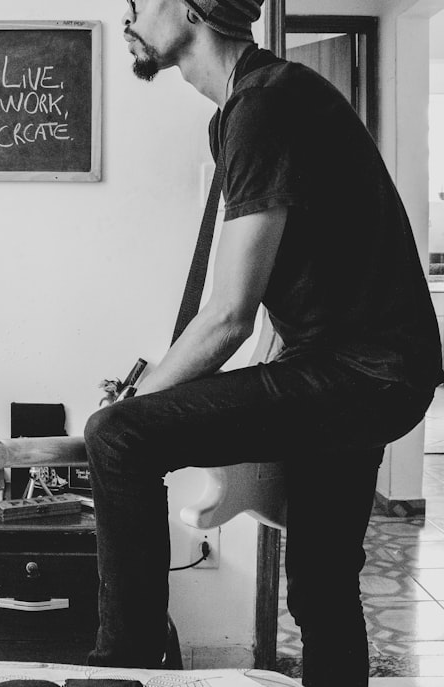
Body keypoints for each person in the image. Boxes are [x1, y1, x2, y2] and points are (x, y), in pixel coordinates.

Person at [83, 1, 444, 685]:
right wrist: (163, 387)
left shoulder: (263, 108)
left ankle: (121, 672)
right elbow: (283, 289)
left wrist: (131, 408)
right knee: (320, 585)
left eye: (141, 0)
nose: (127, 11)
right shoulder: (261, 102)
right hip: (373, 367)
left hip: (358, 371)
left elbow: (229, 314)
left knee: (117, 438)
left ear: (192, 10)